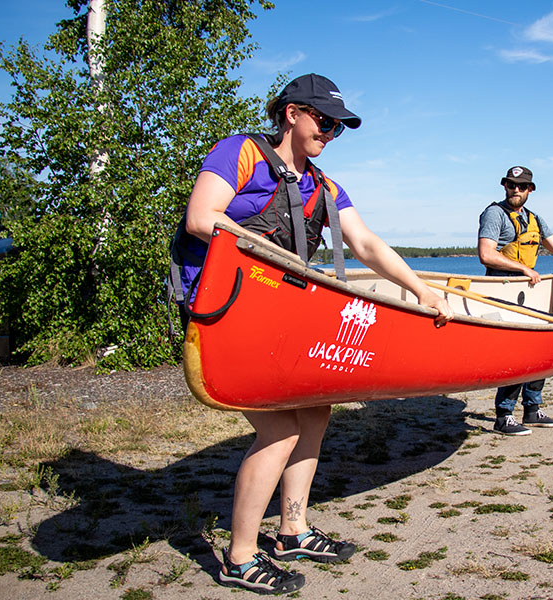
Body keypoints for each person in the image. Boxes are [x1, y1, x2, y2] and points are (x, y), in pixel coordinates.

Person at [173, 73, 453, 594]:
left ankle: (293, 529)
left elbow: (365, 243)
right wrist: (272, 256)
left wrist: (420, 290)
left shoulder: (323, 186)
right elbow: (199, 218)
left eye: (339, 127)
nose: (330, 132)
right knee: (279, 428)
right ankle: (239, 556)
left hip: (282, 319)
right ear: (291, 113)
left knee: (315, 410)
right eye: (324, 120)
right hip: (227, 314)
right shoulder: (240, 153)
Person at [478, 166, 553, 436]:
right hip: (503, 291)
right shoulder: (494, 214)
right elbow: (486, 255)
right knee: (517, 354)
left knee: (540, 348)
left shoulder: (534, 219)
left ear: (530, 189)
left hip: (529, 292)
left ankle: (532, 409)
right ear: (504, 186)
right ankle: (504, 415)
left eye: (521, 186)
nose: (516, 190)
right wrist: (523, 269)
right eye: (511, 185)